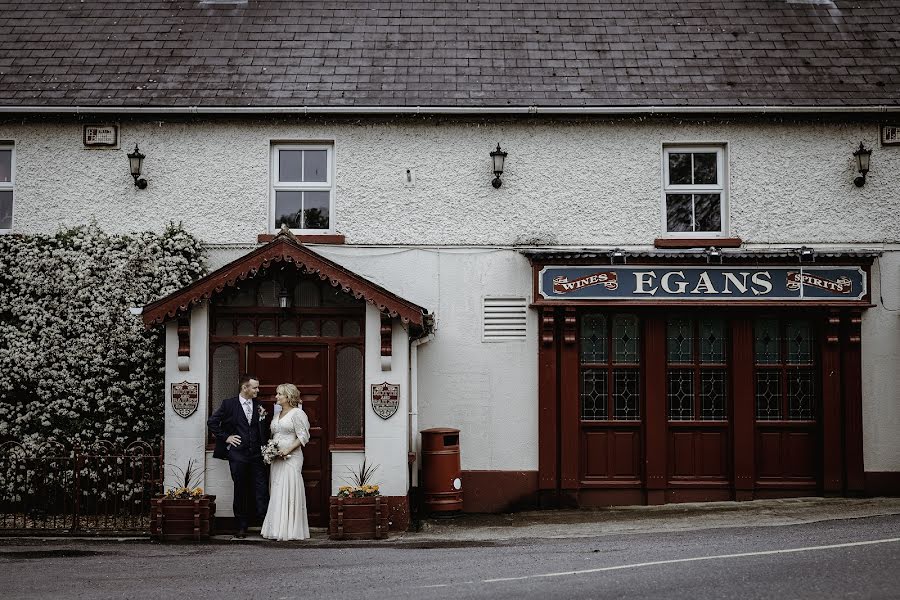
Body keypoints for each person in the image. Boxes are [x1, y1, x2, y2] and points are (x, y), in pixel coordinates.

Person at [207, 374, 270, 539]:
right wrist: (226, 437)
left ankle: (265, 524)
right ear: (245, 388)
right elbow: (212, 422)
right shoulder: (229, 404)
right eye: (255, 387)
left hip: (257, 455)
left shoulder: (259, 405)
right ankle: (241, 526)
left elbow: (264, 428)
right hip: (238, 455)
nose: (258, 390)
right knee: (240, 489)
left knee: (261, 489)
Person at [260, 383, 311, 541]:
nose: (276, 397)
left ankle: (290, 530)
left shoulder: (297, 414)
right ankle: (275, 528)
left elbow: (303, 436)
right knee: (277, 490)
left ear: (288, 396)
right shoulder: (277, 414)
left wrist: (287, 450)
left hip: (291, 457)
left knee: (288, 489)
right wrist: (271, 450)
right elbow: (275, 435)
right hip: (277, 458)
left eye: (279, 394)